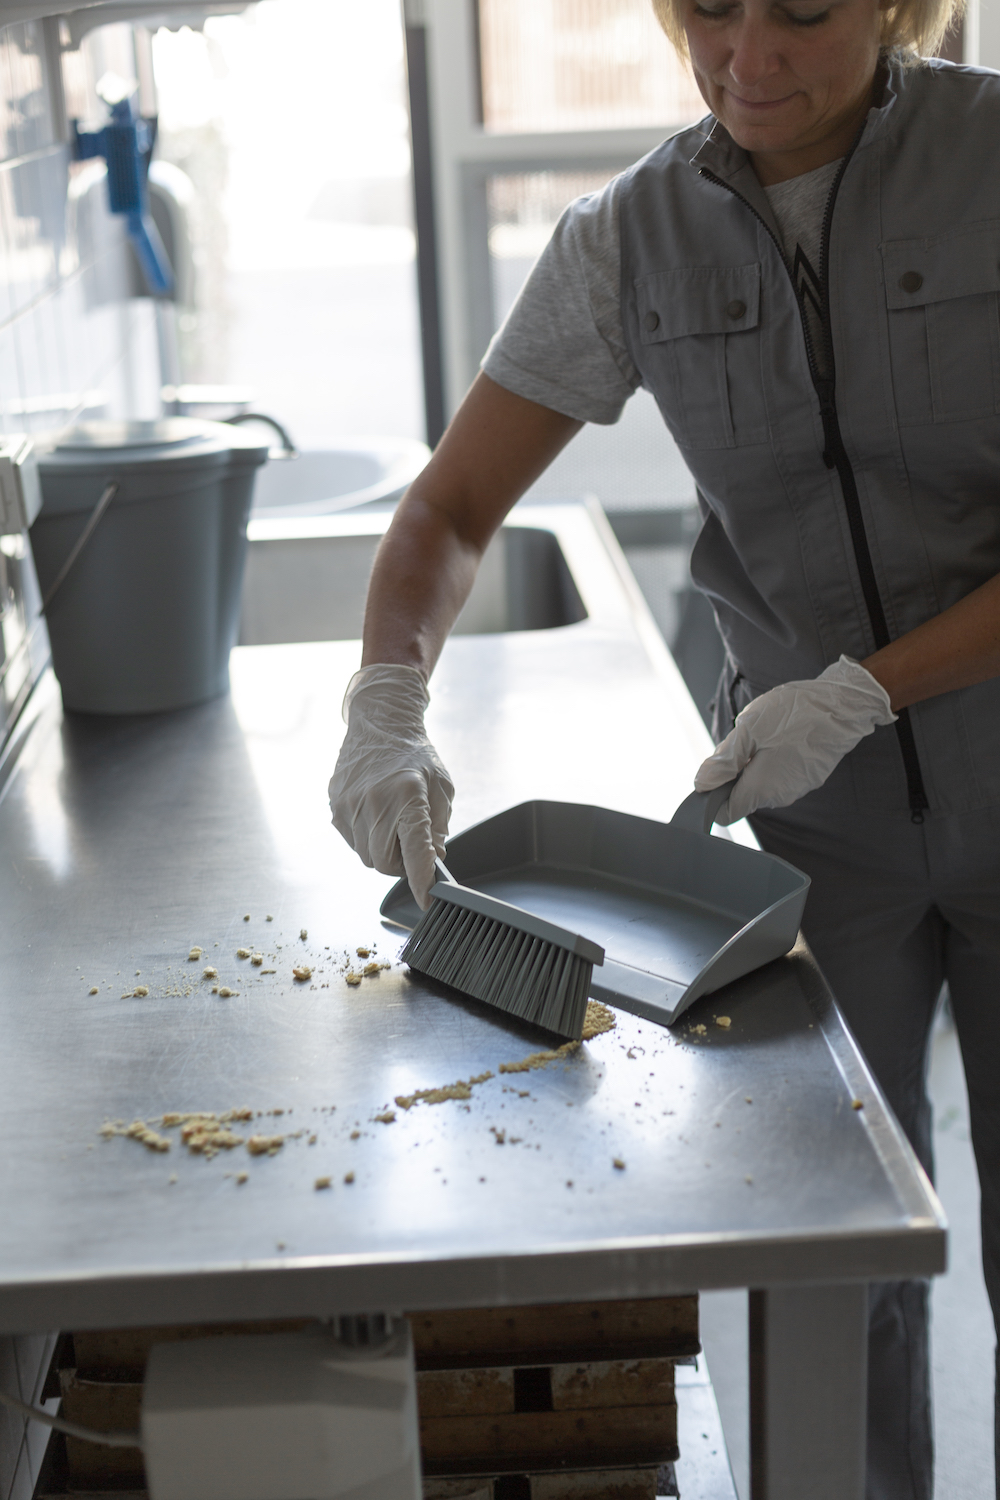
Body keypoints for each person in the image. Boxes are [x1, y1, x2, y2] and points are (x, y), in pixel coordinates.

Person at [330, 0, 1000, 1493]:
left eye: (805, 13)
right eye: (705, 8)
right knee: (838, 1270)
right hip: (819, 846)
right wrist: (386, 700)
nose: (746, 56)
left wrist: (866, 688)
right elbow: (450, 512)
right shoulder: (624, 243)